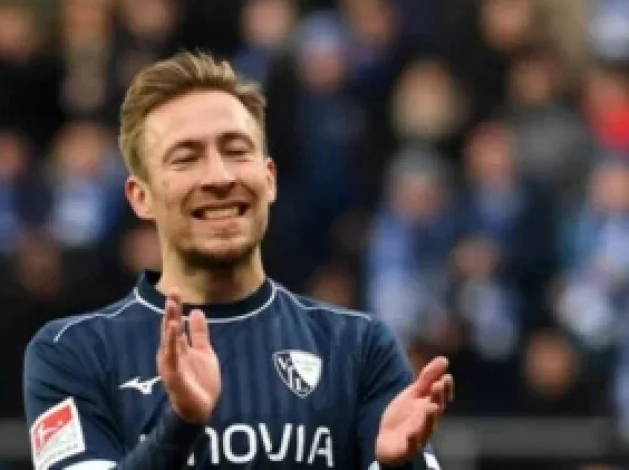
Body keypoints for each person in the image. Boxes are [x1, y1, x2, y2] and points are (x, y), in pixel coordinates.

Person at [23, 52, 454, 469]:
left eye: (236, 150)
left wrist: (400, 468)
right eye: (186, 158)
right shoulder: (74, 354)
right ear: (142, 197)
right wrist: (181, 426)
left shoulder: (359, 348)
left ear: (269, 179)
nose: (220, 177)